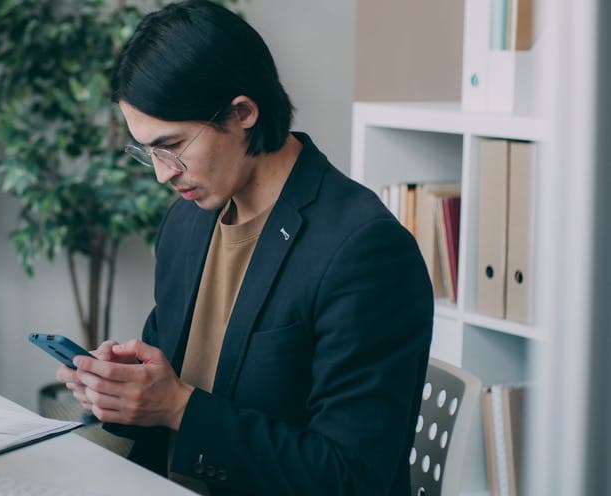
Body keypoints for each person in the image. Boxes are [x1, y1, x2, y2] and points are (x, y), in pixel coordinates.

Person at [56, 1, 434, 494]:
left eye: (172, 146)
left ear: (242, 114)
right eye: (147, 152)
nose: (162, 173)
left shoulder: (364, 250)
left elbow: (351, 476)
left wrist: (177, 406)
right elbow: (175, 397)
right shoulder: (186, 223)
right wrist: (122, 394)